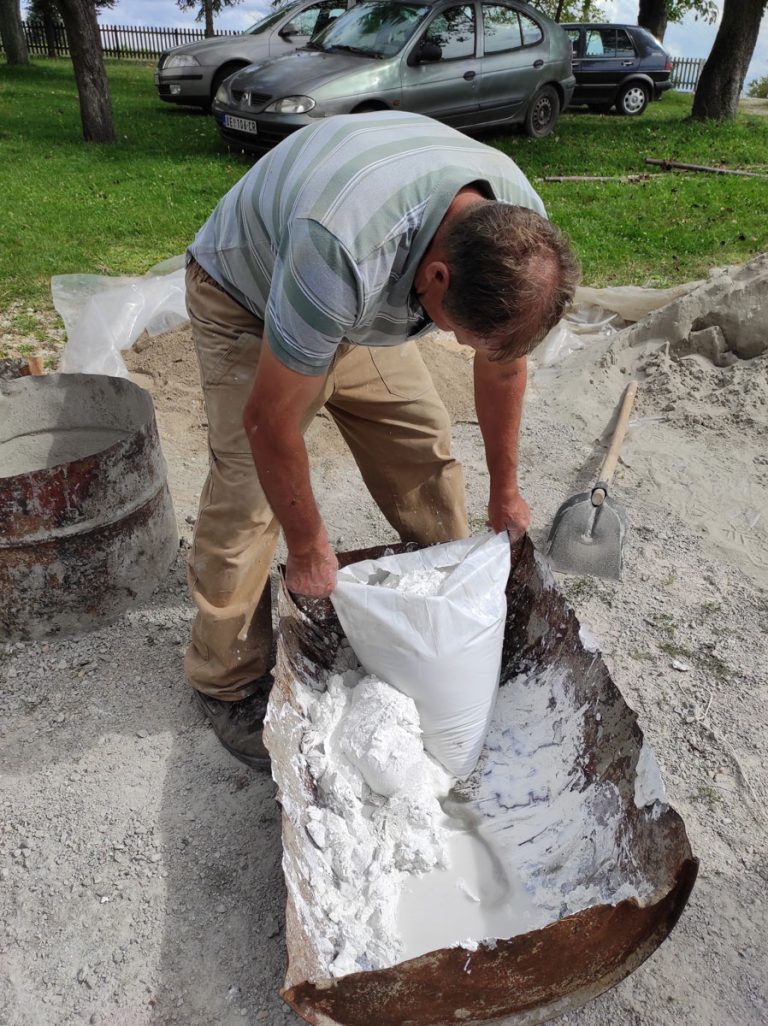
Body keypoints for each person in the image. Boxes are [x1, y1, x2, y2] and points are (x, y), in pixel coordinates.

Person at [184, 111, 580, 768]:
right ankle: (223, 676)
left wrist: (506, 493)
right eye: (460, 333)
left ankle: (448, 619)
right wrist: (310, 548)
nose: (460, 347)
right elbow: (269, 423)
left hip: (361, 303)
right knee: (249, 493)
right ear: (438, 280)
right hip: (249, 293)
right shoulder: (339, 247)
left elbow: (503, 364)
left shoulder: (520, 231)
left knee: (420, 447)